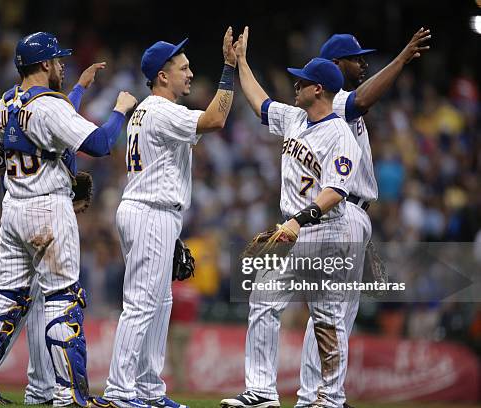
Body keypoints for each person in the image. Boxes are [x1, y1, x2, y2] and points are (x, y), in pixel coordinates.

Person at [0, 31, 137, 406]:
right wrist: (120, 109)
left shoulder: (2, 106)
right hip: (48, 210)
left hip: (14, 209)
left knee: (7, 296)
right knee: (62, 299)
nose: (61, 65)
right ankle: (69, 393)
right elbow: (99, 144)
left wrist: (78, 93)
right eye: (57, 60)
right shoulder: (51, 106)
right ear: (43, 65)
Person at [92, 27, 237, 408]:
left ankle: (148, 390)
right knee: (142, 304)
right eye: (183, 68)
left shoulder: (150, 111)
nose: (189, 73)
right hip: (150, 211)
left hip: (154, 211)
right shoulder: (159, 110)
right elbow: (215, 121)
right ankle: (121, 392)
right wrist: (229, 68)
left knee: (159, 304)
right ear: (162, 76)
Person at [220, 27, 361, 408]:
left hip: (324, 230)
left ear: (318, 90)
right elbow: (260, 103)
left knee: (327, 317)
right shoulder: (295, 118)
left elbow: (336, 192)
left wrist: (299, 220)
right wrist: (240, 64)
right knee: (263, 300)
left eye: (301, 81)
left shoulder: (341, 136)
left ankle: (330, 398)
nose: (294, 84)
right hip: (290, 228)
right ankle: (262, 392)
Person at [295, 28, 430, 408]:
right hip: (340, 210)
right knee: (330, 309)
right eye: (355, 58)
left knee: (336, 310)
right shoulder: (331, 104)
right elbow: (364, 98)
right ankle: (317, 396)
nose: (362, 62)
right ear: (336, 66)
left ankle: (320, 394)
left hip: (350, 212)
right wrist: (401, 60)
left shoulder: (329, 107)